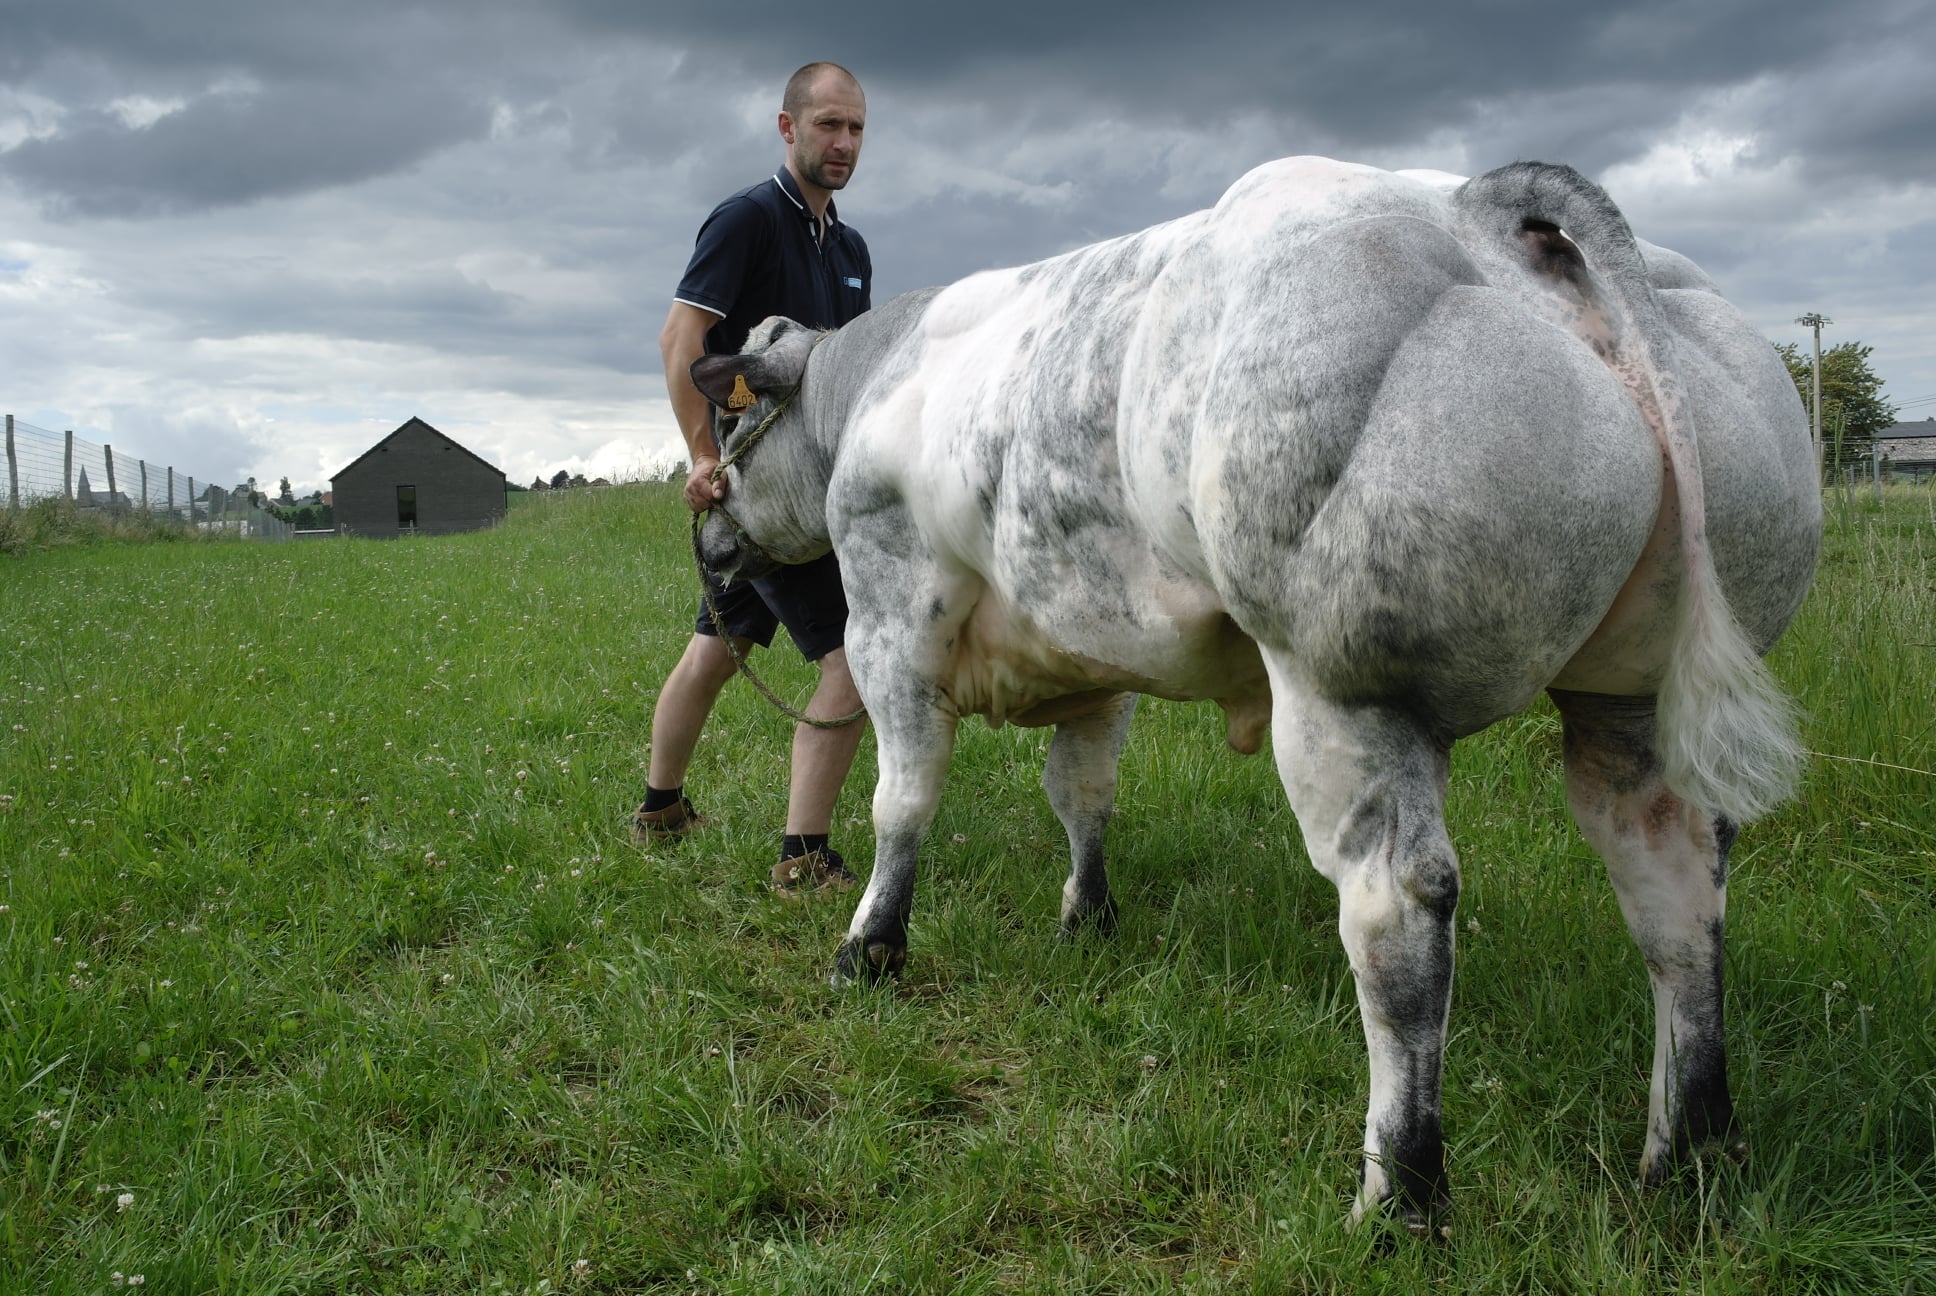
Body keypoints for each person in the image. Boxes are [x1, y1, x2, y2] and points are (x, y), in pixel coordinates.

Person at [632, 62, 871, 896]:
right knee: (854, 660)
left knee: (716, 650)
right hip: (758, 499)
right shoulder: (746, 219)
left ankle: (660, 806)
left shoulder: (848, 247)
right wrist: (706, 457)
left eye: (856, 130)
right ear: (788, 127)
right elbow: (681, 340)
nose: (842, 144)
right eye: (828, 126)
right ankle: (803, 856)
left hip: (809, 496)